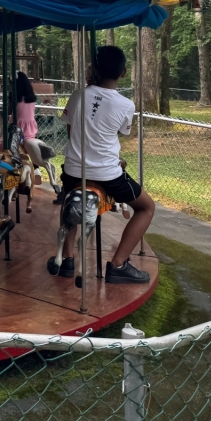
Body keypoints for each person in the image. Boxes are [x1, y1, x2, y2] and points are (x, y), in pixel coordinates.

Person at [59, 45, 153, 285]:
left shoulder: (78, 96)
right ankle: (119, 263)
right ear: (122, 73)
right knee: (145, 207)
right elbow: (119, 133)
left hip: (74, 169)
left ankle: (67, 258)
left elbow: (72, 132)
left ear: (94, 69)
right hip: (106, 174)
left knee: (69, 197)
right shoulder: (125, 104)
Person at [14, 71, 39, 140]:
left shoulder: (16, 98)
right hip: (30, 129)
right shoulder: (31, 98)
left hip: (17, 127)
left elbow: (9, 111)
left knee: (2, 142)